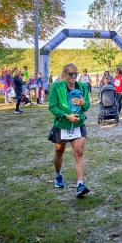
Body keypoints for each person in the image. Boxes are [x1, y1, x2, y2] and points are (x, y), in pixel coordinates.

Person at [48, 63, 91, 198]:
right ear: (64, 75)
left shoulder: (82, 86)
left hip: (78, 124)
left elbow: (87, 106)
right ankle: (58, 175)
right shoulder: (57, 87)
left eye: (75, 74)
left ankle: (80, 184)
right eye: (70, 74)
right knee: (59, 151)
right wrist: (66, 116)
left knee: (79, 152)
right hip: (62, 125)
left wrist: (83, 103)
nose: (73, 76)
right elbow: (52, 106)